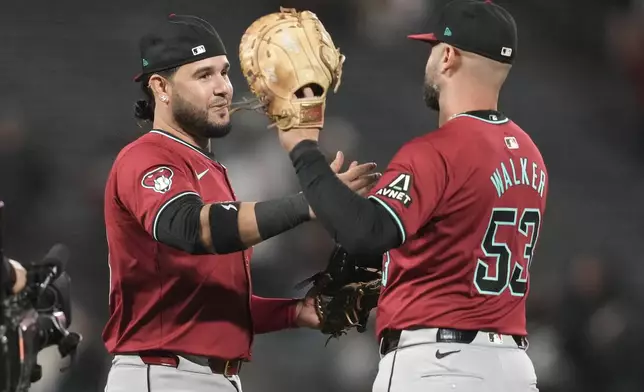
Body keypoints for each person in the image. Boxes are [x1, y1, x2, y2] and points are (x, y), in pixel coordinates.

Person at [278, 1, 546, 391]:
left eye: (433, 50)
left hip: (438, 366)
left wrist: (302, 150)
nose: (430, 60)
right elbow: (452, 238)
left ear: (449, 57)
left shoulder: (437, 151)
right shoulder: (530, 155)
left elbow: (366, 233)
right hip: (513, 368)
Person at [102, 14, 378, 392]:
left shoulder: (211, 170)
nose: (222, 88)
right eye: (203, 75)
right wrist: (307, 204)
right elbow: (189, 227)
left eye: (224, 72)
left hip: (210, 376)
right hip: (164, 374)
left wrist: (294, 312)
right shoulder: (147, 156)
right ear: (161, 87)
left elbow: (207, 305)